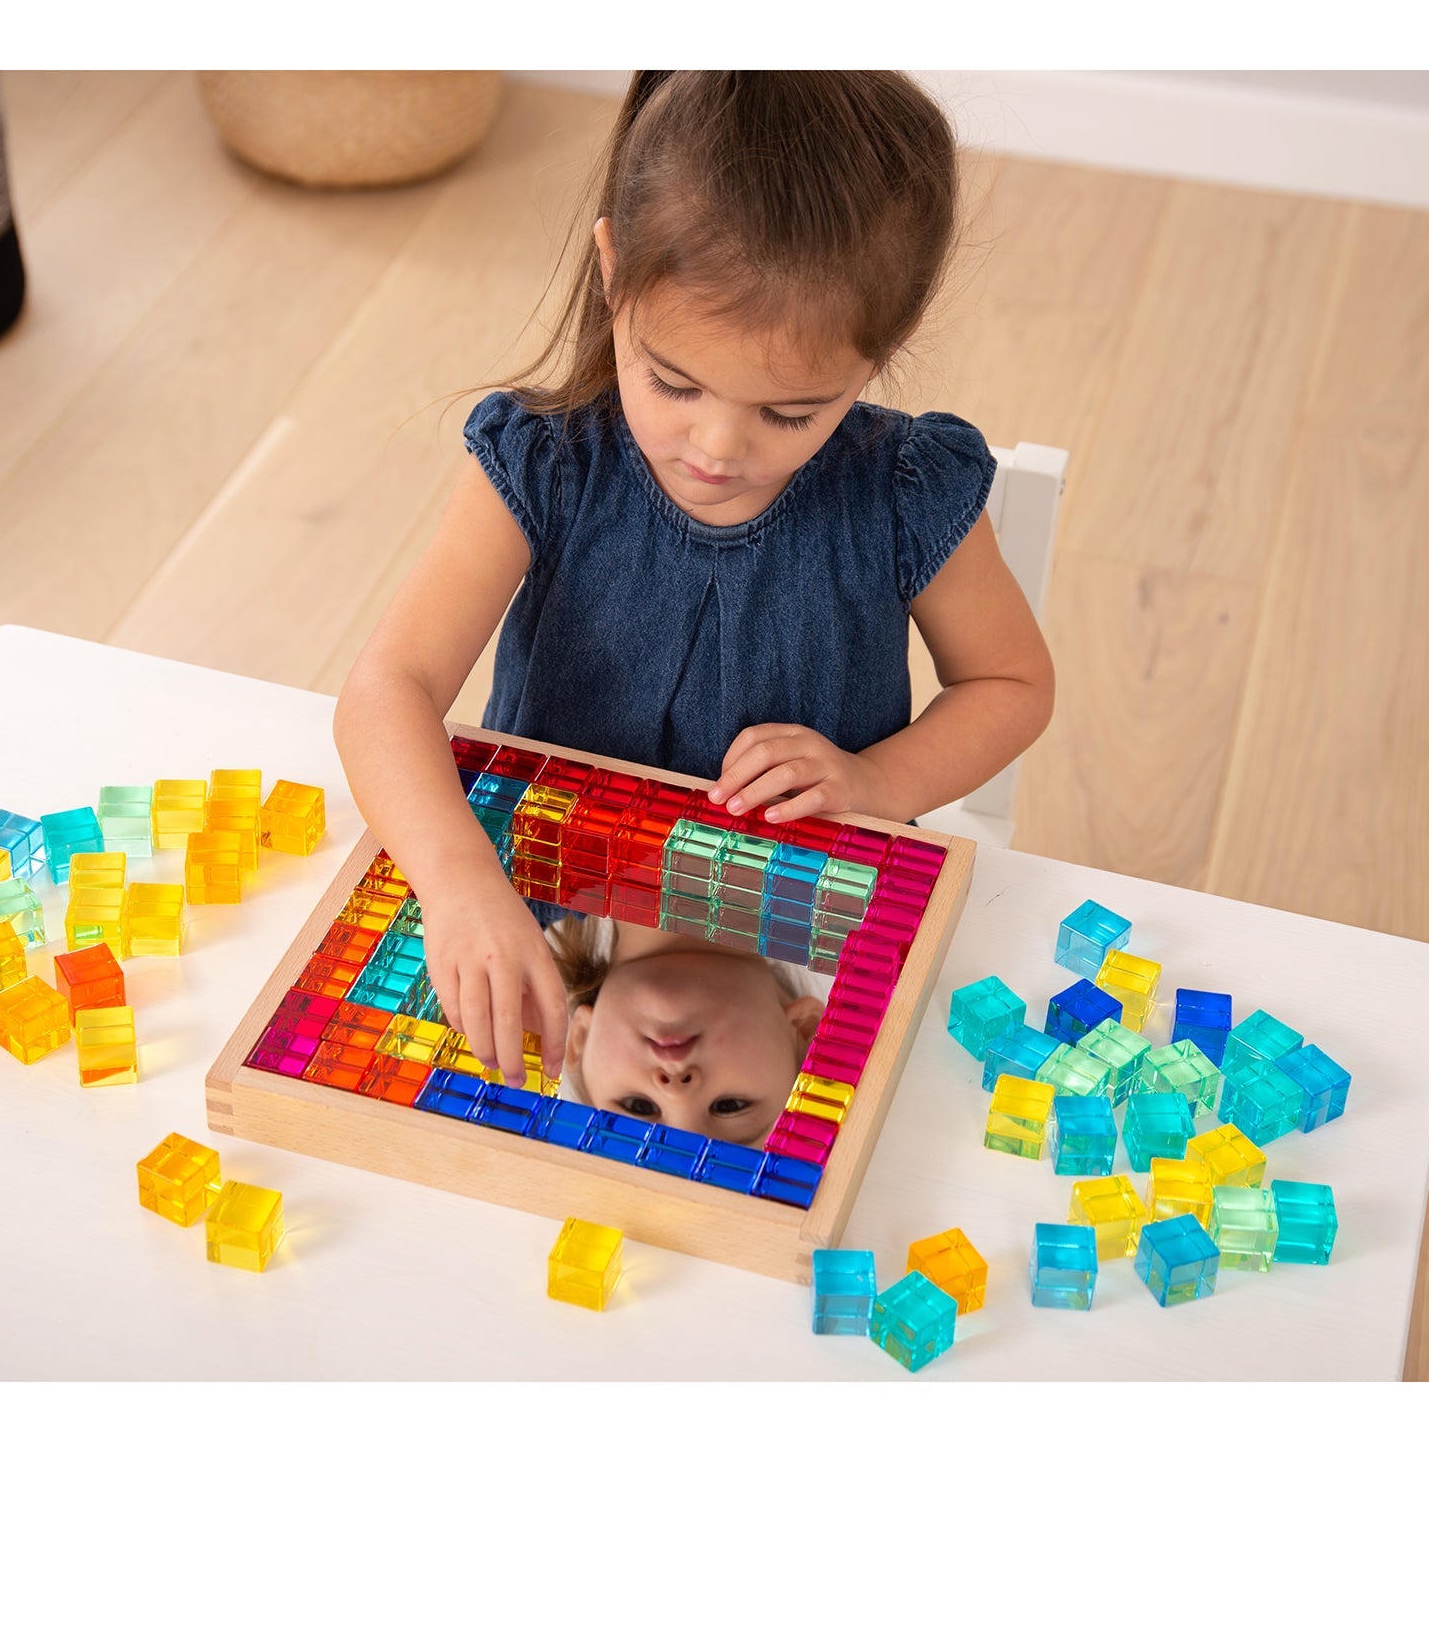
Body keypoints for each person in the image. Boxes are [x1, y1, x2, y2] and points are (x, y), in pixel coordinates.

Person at [335, 71, 1055, 1091]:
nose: (717, 447)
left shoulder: (900, 490)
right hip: (539, 877)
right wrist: (456, 881)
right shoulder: (548, 460)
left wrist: (879, 783)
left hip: (796, 898)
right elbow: (384, 691)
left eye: (792, 413)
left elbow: (1013, 684)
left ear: (877, 355)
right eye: (673, 382)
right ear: (611, 269)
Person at [546, 914, 823, 1149]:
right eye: (729, 1105)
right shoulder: (845, 873)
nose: (677, 1091)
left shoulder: (513, 898)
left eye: (638, 1106)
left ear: (580, 1039)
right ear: (804, 1031)